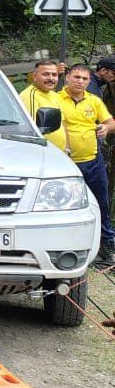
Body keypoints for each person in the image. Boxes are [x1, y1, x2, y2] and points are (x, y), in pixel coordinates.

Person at [58, 63, 115, 265]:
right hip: (67, 164)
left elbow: (110, 121)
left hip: (93, 161)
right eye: (76, 77)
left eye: (84, 79)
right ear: (68, 78)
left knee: (102, 203)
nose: (80, 82)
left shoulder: (94, 100)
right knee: (67, 206)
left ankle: (107, 245)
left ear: (89, 81)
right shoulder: (56, 100)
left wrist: (106, 128)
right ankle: (68, 248)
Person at [16, 60, 68, 153]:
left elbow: (62, 123)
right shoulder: (29, 96)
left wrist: (66, 148)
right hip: (43, 154)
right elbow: (31, 132)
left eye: (54, 75)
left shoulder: (54, 95)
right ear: (35, 76)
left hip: (60, 153)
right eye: (45, 74)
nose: (51, 78)